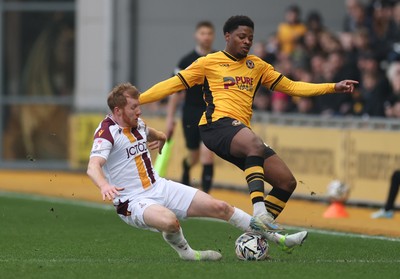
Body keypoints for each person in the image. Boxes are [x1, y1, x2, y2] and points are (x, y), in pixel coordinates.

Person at [138, 15, 358, 231]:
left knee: (286, 182)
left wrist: (332, 86)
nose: (246, 41)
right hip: (215, 125)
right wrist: (137, 100)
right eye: (241, 36)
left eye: (250, 38)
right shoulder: (208, 62)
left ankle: (256, 235)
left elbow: (292, 87)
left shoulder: (258, 66)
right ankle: (259, 210)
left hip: (239, 132)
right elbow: (172, 85)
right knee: (254, 144)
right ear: (227, 36)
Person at [86, 83, 308, 261]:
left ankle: (279, 239)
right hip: (132, 201)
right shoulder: (106, 133)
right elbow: (93, 166)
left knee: (221, 207)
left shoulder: (138, 124)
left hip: (159, 187)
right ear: (117, 111)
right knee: (170, 221)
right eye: (134, 107)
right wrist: (104, 185)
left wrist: (161, 137)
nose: (139, 110)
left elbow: (152, 132)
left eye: (138, 105)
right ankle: (188, 253)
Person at [166, 21, 215, 193]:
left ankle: (205, 198)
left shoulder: (219, 59)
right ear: (196, 35)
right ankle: (186, 168)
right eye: (203, 33)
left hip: (212, 113)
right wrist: (170, 119)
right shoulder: (186, 61)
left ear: (213, 36)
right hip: (191, 113)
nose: (206, 37)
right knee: (193, 156)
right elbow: (175, 92)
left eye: (209, 33)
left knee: (207, 154)